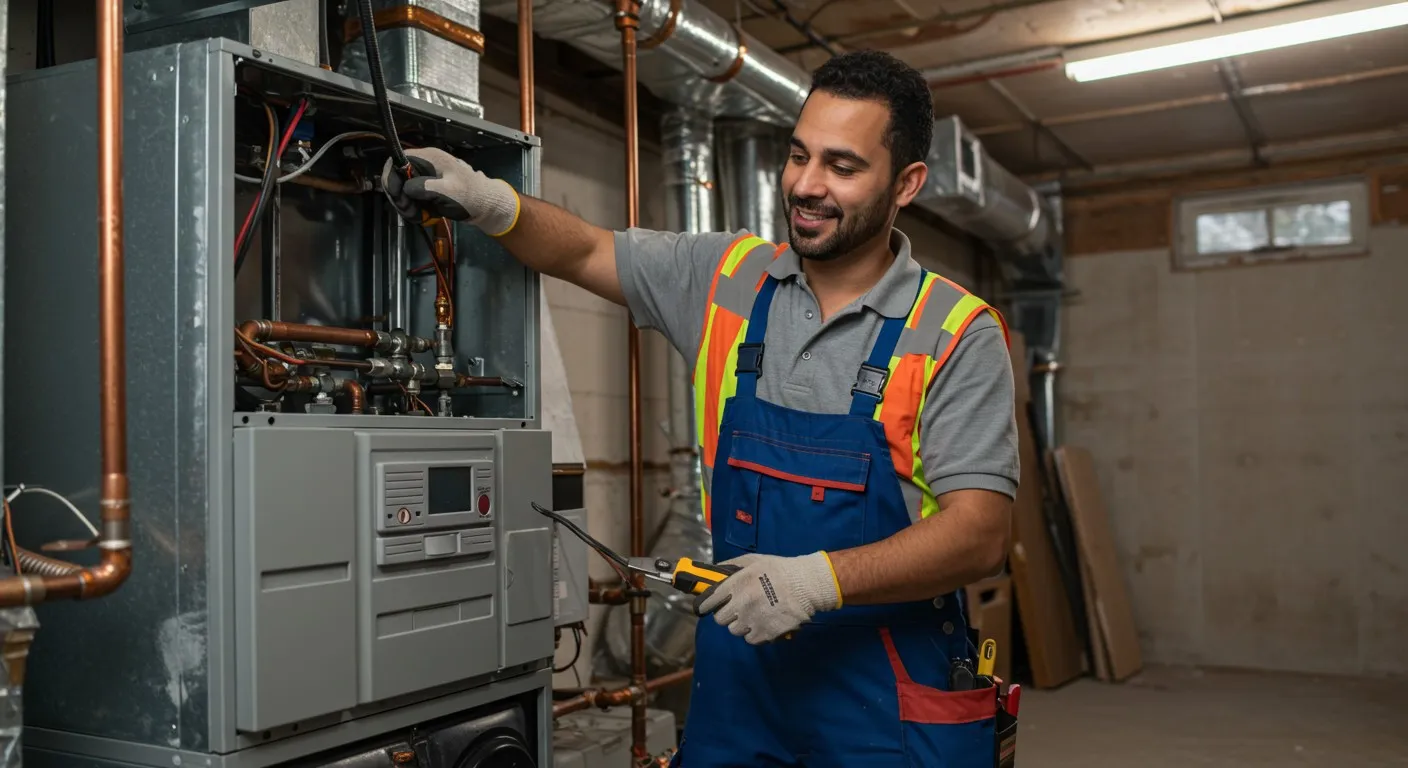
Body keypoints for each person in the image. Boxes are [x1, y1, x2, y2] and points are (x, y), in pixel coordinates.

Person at [384, 49, 1018, 767]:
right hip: (739, 693)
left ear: (906, 184)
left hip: (889, 703)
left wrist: (817, 580)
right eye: (799, 155)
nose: (806, 186)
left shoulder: (956, 331)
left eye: (843, 167)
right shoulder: (729, 279)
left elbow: (980, 533)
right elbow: (585, 250)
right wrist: (493, 203)